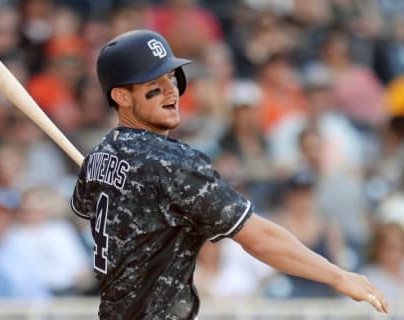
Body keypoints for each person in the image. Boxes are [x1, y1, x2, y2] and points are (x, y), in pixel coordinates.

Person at [71, 29, 389, 319]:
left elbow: (85, 206)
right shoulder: (172, 162)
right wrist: (338, 275)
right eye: (154, 85)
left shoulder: (101, 153)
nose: (172, 91)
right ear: (122, 97)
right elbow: (259, 239)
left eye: (172, 77)